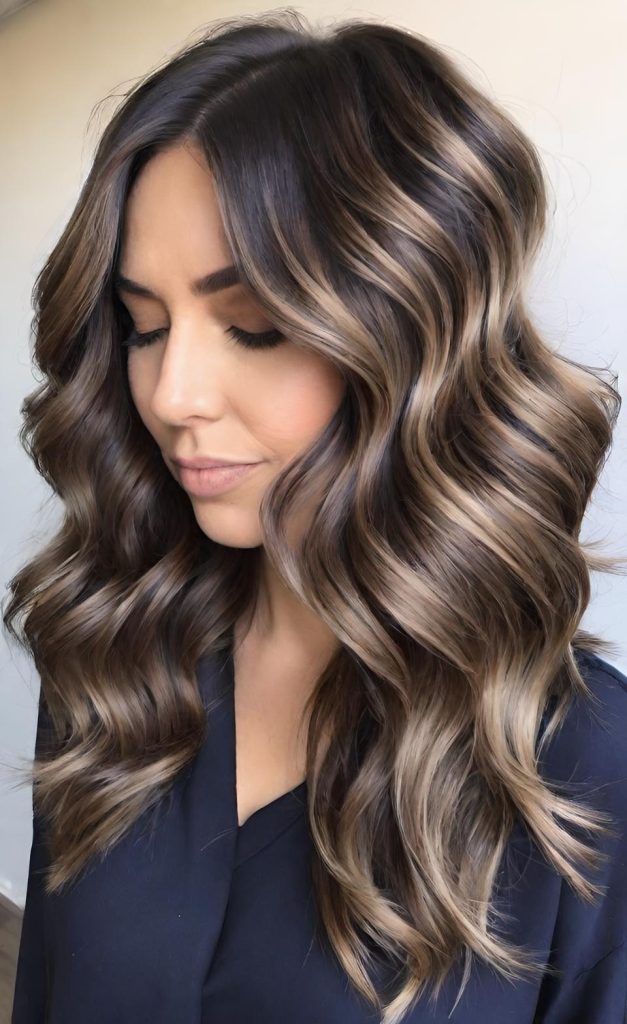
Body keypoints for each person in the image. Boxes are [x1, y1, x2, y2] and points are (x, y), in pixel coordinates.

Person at [6, 11, 627, 1023]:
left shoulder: (577, 765)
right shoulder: (114, 659)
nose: (171, 394)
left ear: (415, 335)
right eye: (143, 326)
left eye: (253, 325)